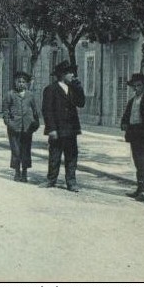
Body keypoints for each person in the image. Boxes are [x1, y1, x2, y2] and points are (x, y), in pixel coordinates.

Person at [41, 61, 86, 192]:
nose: (73, 75)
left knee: (72, 156)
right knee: (55, 155)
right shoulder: (51, 89)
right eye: (70, 73)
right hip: (58, 129)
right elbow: (47, 110)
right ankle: (51, 179)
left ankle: (71, 182)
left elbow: (81, 103)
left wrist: (79, 87)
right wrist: (52, 129)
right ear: (62, 75)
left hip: (71, 129)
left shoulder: (73, 88)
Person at [120, 73, 144, 202]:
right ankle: (139, 188)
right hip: (134, 134)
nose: (136, 88)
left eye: (139, 85)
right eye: (134, 86)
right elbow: (126, 116)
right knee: (137, 162)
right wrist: (124, 124)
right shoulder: (131, 101)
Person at [2, 71, 39, 182]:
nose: (21, 84)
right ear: (15, 82)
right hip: (14, 127)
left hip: (27, 127)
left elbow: (35, 110)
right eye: (19, 81)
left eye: (23, 82)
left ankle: (25, 172)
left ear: (26, 84)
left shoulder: (30, 95)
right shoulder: (10, 94)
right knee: (16, 150)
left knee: (26, 150)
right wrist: (9, 122)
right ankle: (17, 172)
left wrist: (35, 124)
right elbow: (5, 111)